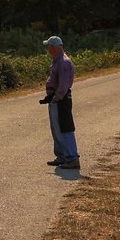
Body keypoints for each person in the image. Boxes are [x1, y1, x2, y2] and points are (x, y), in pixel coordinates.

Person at [39, 36, 78, 169]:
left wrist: (55, 98)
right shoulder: (57, 61)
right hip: (56, 99)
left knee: (65, 128)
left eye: (49, 47)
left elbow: (63, 86)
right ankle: (62, 156)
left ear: (54, 48)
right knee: (56, 129)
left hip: (61, 100)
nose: (47, 50)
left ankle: (72, 158)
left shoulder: (63, 62)